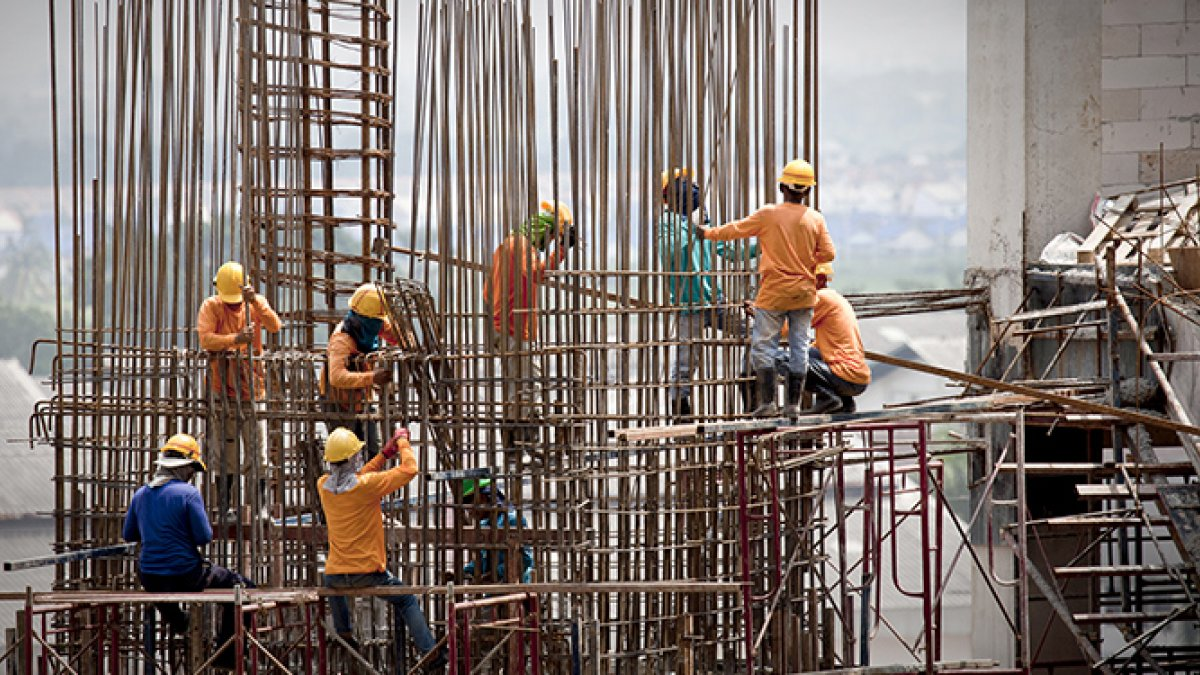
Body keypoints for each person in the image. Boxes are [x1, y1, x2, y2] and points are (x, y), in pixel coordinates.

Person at [693, 159, 835, 417]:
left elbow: (736, 229)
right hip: (804, 294)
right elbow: (828, 253)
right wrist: (805, 262)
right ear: (808, 191)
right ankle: (792, 405)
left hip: (774, 293)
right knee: (800, 347)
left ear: (782, 187)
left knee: (763, 347)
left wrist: (708, 233)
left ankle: (768, 403)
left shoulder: (768, 215)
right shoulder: (816, 219)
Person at [123, 434, 255, 670]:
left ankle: (179, 622)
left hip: (150, 577)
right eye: (192, 469)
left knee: (161, 588)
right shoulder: (188, 494)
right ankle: (227, 657)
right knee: (243, 588)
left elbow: (129, 534)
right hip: (186, 574)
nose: (192, 474)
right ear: (183, 467)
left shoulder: (141, 494)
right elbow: (203, 537)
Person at [318, 426, 445, 669]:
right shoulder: (367, 486)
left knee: (331, 585)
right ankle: (430, 653)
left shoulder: (323, 486)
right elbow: (410, 469)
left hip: (335, 574)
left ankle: (344, 633)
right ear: (353, 458)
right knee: (405, 598)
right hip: (368, 573)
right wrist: (403, 442)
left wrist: (384, 456)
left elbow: (355, 479)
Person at [658, 168, 751, 421]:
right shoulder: (666, 224)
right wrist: (692, 227)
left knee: (754, 335)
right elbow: (671, 250)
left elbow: (728, 251)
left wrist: (763, 244)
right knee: (685, 366)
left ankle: (750, 385)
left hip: (715, 301)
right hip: (689, 305)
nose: (691, 189)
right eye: (683, 185)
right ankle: (682, 417)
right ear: (669, 195)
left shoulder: (700, 222)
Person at [484, 200, 576, 447]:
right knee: (526, 382)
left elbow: (487, 291)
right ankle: (523, 437)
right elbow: (537, 273)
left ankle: (514, 440)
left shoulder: (507, 244)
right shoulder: (522, 246)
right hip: (514, 327)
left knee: (516, 382)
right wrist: (561, 251)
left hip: (503, 325)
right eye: (552, 236)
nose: (550, 242)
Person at [196, 261, 282, 522]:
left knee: (258, 452)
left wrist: (255, 301)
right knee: (225, 452)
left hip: (252, 389)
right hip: (222, 390)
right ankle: (225, 509)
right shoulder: (211, 307)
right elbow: (206, 339)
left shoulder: (254, 304)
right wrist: (235, 340)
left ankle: (261, 508)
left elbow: (275, 325)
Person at [321, 282, 398, 460]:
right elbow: (336, 377)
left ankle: (370, 477)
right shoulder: (342, 339)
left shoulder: (373, 323)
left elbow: (398, 336)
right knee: (346, 455)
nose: (378, 326)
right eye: (374, 322)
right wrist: (372, 377)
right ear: (363, 319)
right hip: (338, 402)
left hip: (362, 398)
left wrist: (405, 337)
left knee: (372, 451)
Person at [807, 263, 870, 413]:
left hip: (847, 376)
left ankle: (829, 398)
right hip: (856, 376)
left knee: (789, 361)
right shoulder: (836, 298)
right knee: (809, 353)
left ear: (819, 280)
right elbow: (821, 346)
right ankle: (844, 402)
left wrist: (764, 317)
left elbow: (789, 328)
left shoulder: (822, 298)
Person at [458, 478, 534, 584]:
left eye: (469, 502)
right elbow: (482, 560)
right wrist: (463, 572)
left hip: (514, 587)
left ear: (484, 498)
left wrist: (495, 574)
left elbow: (524, 561)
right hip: (492, 588)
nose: (469, 511)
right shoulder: (484, 525)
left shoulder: (511, 520)